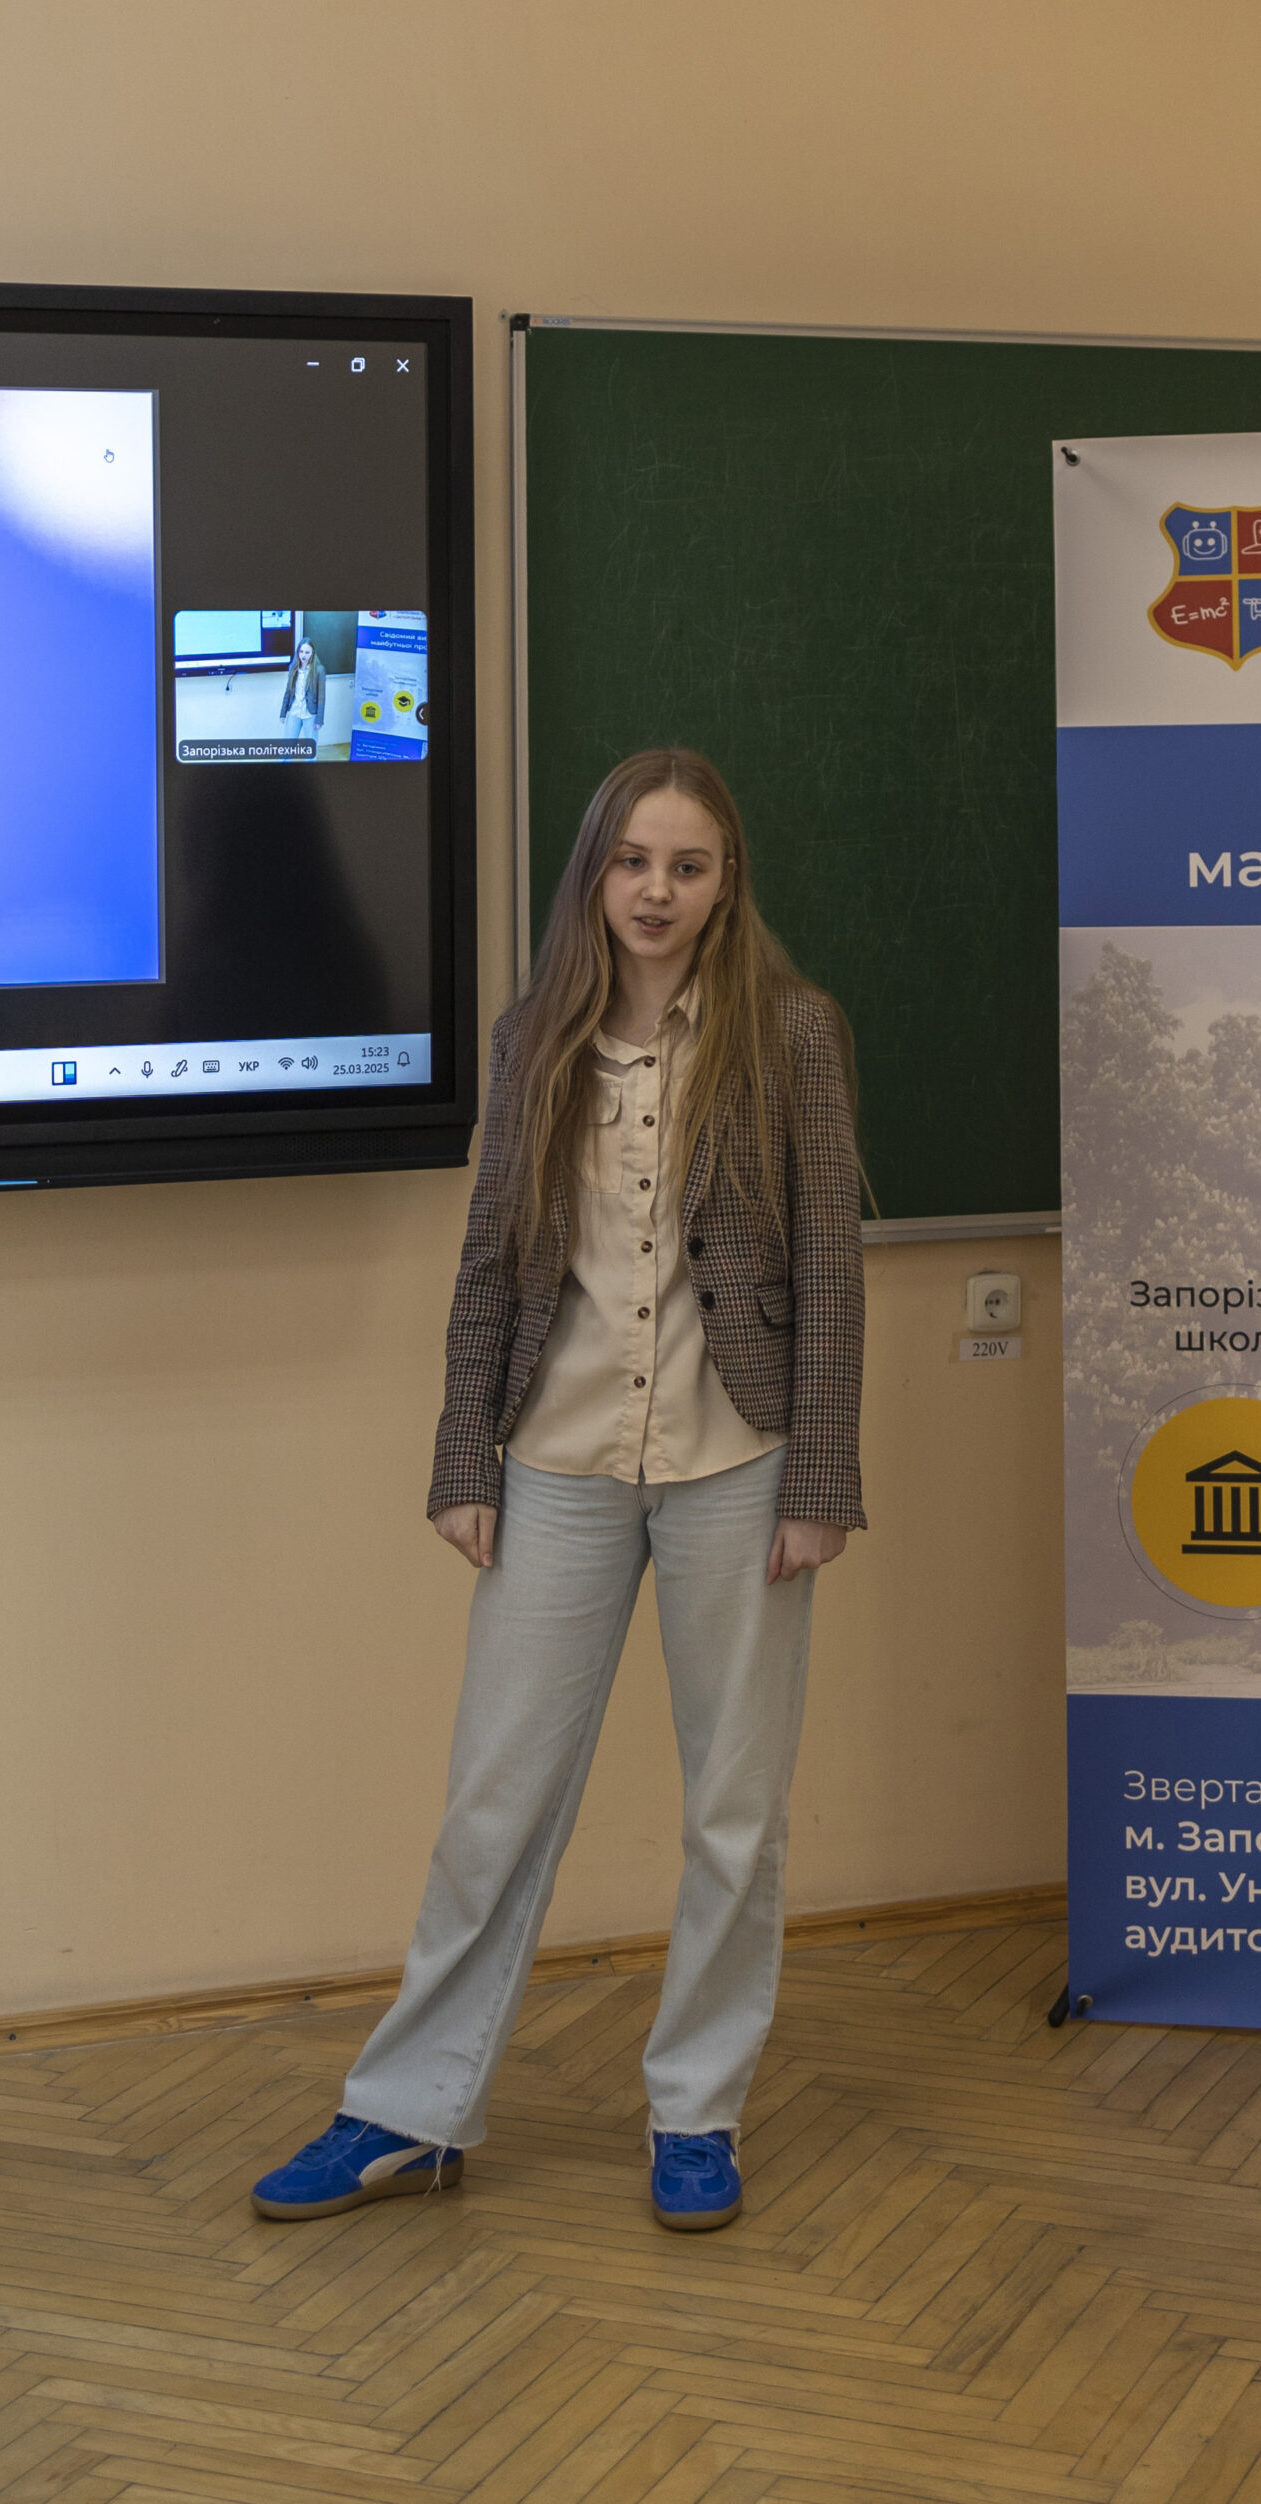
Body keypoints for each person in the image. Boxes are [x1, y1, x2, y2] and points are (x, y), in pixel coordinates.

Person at [251, 748, 865, 2233]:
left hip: (740, 1463)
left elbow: (833, 1268)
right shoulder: (534, 1034)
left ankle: (696, 2112)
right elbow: (489, 1265)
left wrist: (822, 1479)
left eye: (688, 867)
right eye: (634, 862)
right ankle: (411, 2112)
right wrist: (463, 1460)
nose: (657, 892)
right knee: (495, 1801)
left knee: (735, 1816)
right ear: (595, 870)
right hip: (557, 1461)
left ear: (726, 883)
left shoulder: (792, 1030)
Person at [279, 636, 325, 749]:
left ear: (312, 653)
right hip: (294, 712)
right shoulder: (293, 668)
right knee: (287, 747)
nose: (303, 655)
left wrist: (319, 720)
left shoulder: (319, 670)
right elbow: (288, 691)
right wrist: (283, 712)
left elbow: (322, 697)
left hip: (310, 714)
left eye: (307, 652)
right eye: (301, 651)